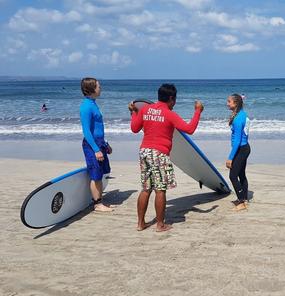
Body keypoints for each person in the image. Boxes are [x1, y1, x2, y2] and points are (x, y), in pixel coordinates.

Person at [128, 84, 204, 232]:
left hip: (144, 151)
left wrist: (133, 112)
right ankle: (160, 225)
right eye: (174, 100)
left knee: (145, 189)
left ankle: (140, 223)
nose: (174, 103)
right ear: (171, 98)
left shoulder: (145, 110)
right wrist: (198, 111)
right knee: (160, 190)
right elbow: (190, 129)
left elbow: (134, 128)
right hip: (159, 154)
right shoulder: (169, 114)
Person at [79, 77, 113, 212]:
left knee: (103, 172)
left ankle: (100, 201)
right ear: (91, 89)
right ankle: (97, 204)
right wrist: (96, 150)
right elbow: (86, 131)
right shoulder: (86, 107)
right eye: (99, 86)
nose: (101, 88)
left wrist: (105, 144)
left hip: (99, 143)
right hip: (91, 144)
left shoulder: (93, 103)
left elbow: (97, 128)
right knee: (96, 174)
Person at [225, 94, 251, 211]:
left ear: (235, 103)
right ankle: (244, 198)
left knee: (233, 176)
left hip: (241, 149)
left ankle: (241, 202)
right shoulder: (241, 114)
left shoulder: (238, 119)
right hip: (244, 148)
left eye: (229, 102)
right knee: (241, 175)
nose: (227, 103)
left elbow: (237, 141)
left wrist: (230, 157)